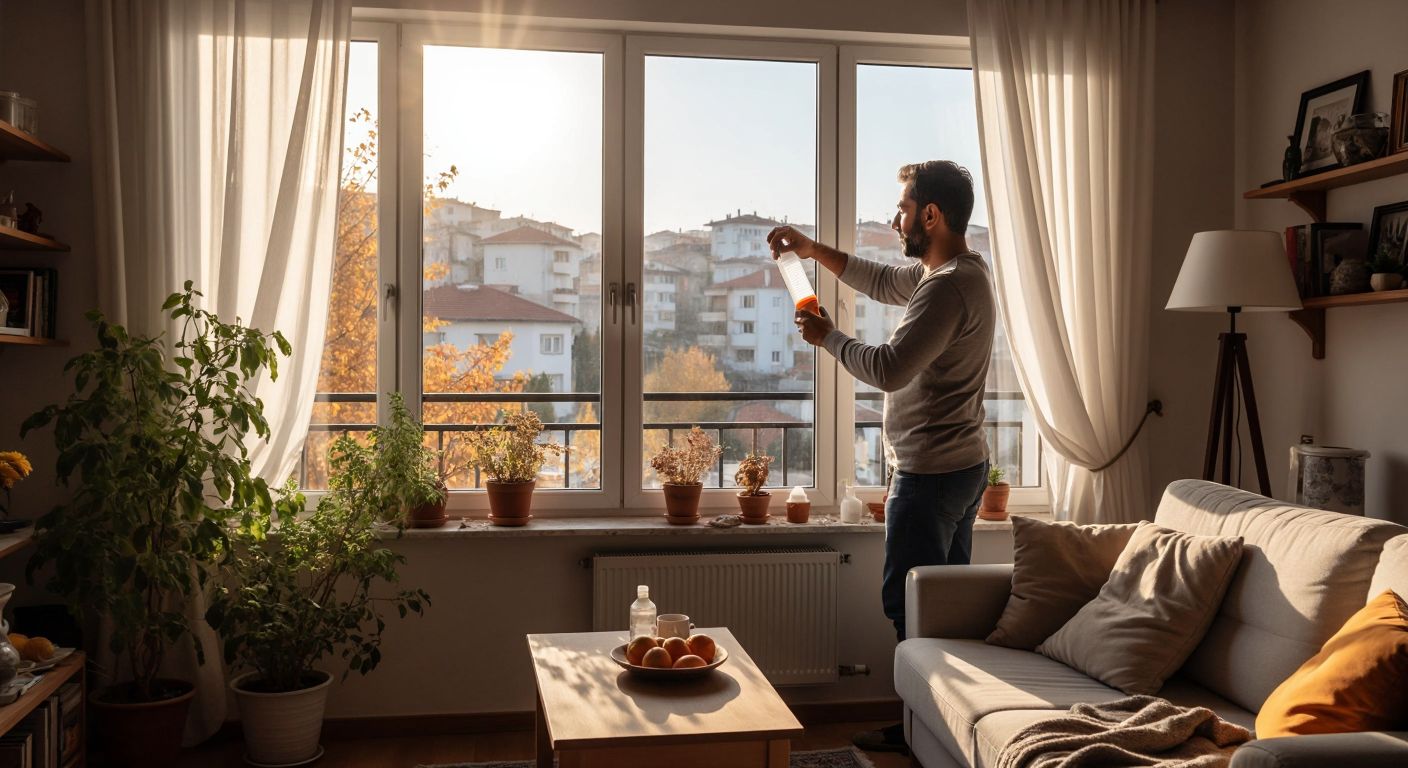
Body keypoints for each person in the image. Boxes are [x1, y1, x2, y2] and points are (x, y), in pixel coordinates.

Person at [766, 160, 995, 756]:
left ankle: (919, 729)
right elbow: (881, 281)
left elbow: (891, 368)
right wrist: (814, 250)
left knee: (910, 604)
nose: (895, 220)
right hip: (958, 466)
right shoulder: (952, 273)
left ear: (931, 214)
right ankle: (943, 726)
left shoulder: (947, 287)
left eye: (901, 208)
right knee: (945, 604)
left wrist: (828, 339)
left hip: (933, 473)